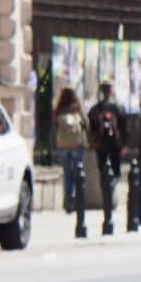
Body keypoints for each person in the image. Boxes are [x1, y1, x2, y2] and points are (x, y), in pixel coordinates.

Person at [86, 81, 125, 234]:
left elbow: (92, 127)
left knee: (102, 170)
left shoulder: (95, 109)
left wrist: (94, 140)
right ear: (112, 91)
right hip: (115, 144)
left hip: (100, 144)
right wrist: (124, 144)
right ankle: (110, 193)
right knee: (116, 171)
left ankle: (105, 193)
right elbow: (123, 125)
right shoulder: (117, 108)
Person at [51, 87, 90, 238]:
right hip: (77, 145)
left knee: (68, 175)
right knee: (78, 174)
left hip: (63, 146)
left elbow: (54, 127)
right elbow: (86, 124)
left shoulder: (59, 111)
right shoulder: (77, 110)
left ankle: (68, 204)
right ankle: (77, 203)